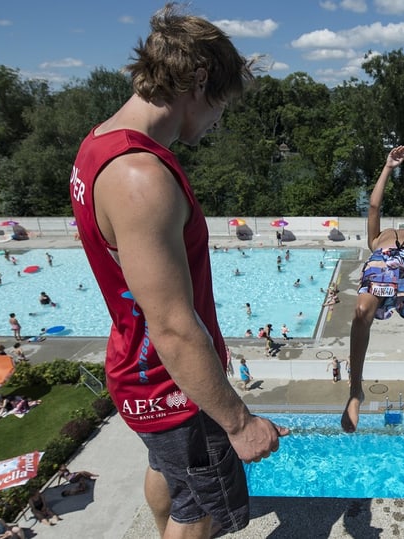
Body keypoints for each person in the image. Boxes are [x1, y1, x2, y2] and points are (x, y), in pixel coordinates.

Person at [68, 6, 287, 536]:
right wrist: (239, 422)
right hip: (170, 384)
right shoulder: (140, 177)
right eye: (222, 107)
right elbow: (171, 324)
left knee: (167, 471)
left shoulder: (99, 143)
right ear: (200, 80)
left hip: (137, 372)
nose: (218, 122)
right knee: (203, 510)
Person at [343, 144, 404, 433]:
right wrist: (387, 168)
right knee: (361, 310)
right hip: (382, 262)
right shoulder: (375, 239)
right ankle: (355, 390)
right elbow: (373, 206)